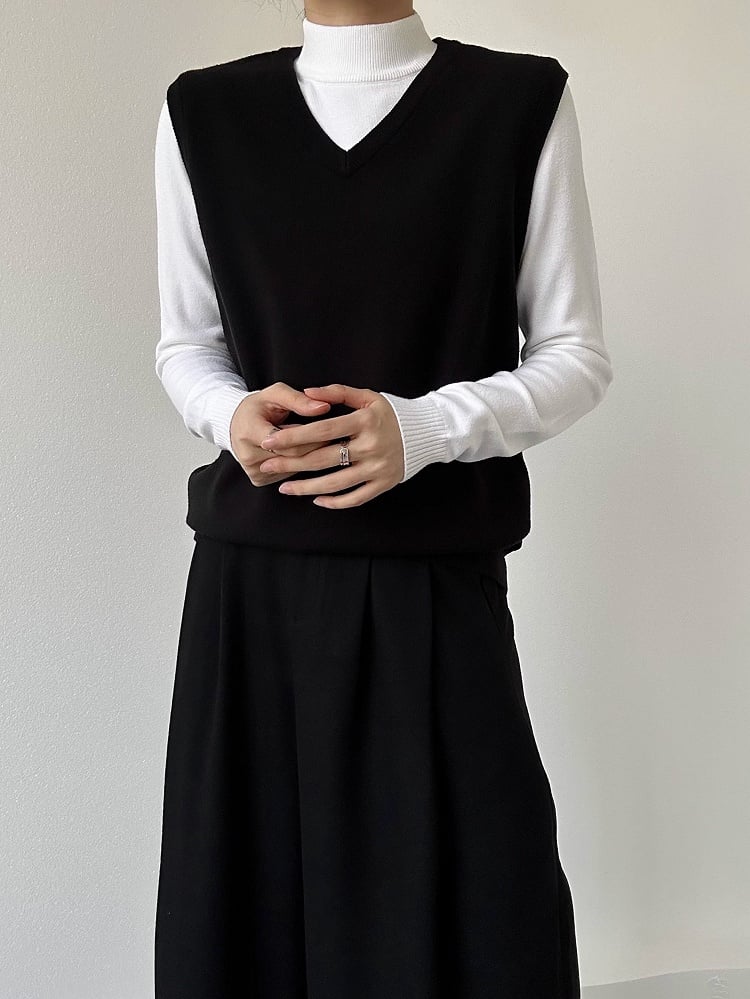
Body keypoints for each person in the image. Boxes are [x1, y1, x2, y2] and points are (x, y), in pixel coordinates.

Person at [152, 4, 613, 997]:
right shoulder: (205, 112)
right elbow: (186, 345)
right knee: (250, 921)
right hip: (248, 596)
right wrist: (231, 416)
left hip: (434, 588)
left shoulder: (516, 102)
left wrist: (428, 427)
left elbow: (576, 355)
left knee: (480, 921)